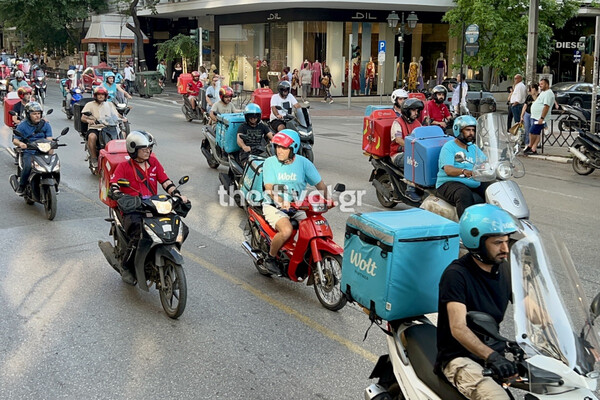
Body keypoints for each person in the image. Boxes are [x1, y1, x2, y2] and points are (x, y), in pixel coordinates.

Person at [436, 203, 519, 400]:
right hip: (459, 358)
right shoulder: (456, 275)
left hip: (492, 354)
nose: (505, 249)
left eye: (507, 241)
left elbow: (532, 309)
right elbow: (458, 328)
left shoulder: (504, 269)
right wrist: (492, 356)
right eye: (498, 242)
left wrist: (571, 340)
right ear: (477, 242)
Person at [109, 130, 189, 285]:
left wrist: (177, 194)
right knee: (138, 234)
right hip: (133, 209)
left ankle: (162, 252)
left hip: (153, 206)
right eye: (143, 148)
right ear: (133, 149)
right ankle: (126, 266)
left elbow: (165, 181)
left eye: (149, 148)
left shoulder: (153, 163)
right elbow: (114, 185)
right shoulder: (123, 167)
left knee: (180, 228)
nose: (148, 151)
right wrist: (118, 193)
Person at [261, 129, 329, 275]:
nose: (279, 150)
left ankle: (304, 256)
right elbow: (269, 188)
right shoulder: (270, 162)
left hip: (298, 206)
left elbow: (320, 184)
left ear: (293, 148)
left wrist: (328, 199)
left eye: (284, 147)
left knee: (315, 227)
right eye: (277, 146)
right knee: (286, 231)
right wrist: (280, 201)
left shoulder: (304, 163)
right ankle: (270, 258)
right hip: (274, 206)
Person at [436, 116, 490, 218]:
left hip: (473, 181)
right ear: (458, 130)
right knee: (463, 194)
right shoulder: (449, 147)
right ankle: (465, 226)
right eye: (468, 130)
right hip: (448, 182)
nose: (471, 133)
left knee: (493, 189)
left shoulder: (473, 148)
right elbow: (448, 169)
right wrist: (464, 171)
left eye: (473, 130)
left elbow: (485, 161)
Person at [12, 102, 53, 196]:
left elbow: (49, 139)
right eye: (34, 114)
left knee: (53, 166)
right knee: (28, 166)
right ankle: (21, 186)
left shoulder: (46, 125)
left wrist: (50, 145)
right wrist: (21, 143)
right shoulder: (22, 126)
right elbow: (15, 140)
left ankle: (54, 185)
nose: (37, 116)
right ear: (28, 114)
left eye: (38, 113)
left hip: (42, 151)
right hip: (29, 151)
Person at [81, 86, 125, 170]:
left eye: (102, 95)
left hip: (108, 126)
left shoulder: (109, 104)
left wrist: (122, 118)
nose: (101, 96)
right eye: (99, 94)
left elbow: (116, 114)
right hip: (96, 127)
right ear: (95, 95)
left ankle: (122, 157)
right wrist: (88, 121)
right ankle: (94, 158)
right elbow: (83, 117)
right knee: (92, 137)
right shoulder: (89, 105)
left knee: (123, 134)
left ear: (105, 96)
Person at [390, 99, 424, 202]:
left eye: (417, 111)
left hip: (414, 152)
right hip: (398, 154)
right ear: (406, 111)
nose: (416, 113)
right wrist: (412, 145)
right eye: (413, 110)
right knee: (413, 160)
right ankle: (410, 190)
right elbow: (398, 140)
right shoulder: (397, 123)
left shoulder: (417, 123)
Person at [526, 77, 555, 155]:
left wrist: (542, 118)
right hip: (536, 116)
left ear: (547, 84)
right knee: (536, 133)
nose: (540, 86)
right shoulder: (543, 92)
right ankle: (533, 149)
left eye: (542, 84)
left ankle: (530, 146)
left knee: (532, 131)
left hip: (540, 117)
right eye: (540, 84)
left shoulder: (548, 93)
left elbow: (546, 106)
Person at [519, 83, 539, 152]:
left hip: (535, 115)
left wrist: (534, 95)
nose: (530, 90)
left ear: (535, 89)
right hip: (527, 113)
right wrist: (522, 116)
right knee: (527, 129)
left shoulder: (539, 96)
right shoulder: (529, 97)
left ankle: (533, 145)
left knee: (533, 130)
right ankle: (527, 144)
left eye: (532, 88)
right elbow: (525, 106)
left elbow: (539, 104)